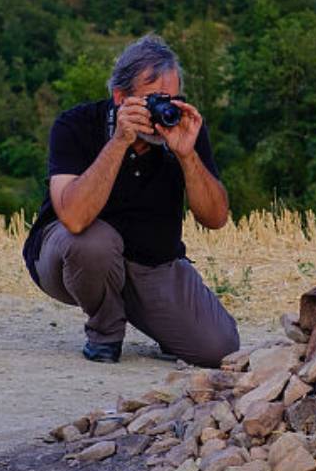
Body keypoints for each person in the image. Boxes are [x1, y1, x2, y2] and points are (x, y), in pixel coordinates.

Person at [21, 35, 240, 367]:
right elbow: (74, 218)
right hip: (69, 258)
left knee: (220, 348)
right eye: (153, 100)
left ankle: (155, 319)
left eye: (171, 99)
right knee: (94, 243)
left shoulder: (183, 128)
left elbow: (216, 218)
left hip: (151, 263)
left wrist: (187, 155)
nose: (163, 110)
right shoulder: (76, 124)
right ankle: (105, 333)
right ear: (120, 97)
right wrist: (119, 142)